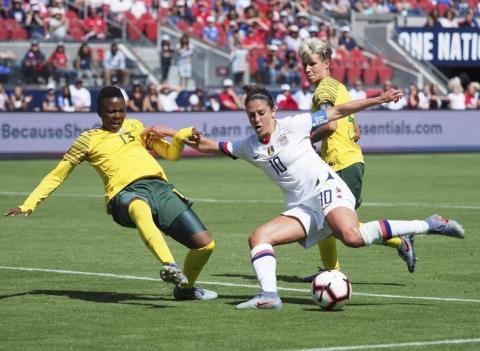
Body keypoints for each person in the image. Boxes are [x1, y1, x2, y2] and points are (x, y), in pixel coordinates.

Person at [178, 84, 464, 310]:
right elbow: (210, 144)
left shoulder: (295, 124)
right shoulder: (248, 146)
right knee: (258, 238)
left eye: (262, 112)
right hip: (303, 207)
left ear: (273, 111)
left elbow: (338, 111)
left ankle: (429, 224)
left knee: (351, 237)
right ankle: (269, 296)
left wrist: (379, 99)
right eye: (251, 115)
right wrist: (178, 136)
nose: (257, 119)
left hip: (327, 189)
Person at [5, 86, 217, 301]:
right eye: (111, 111)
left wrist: (179, 137)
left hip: (160, 189)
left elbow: (171, 155)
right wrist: (29, 203)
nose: (117, 116)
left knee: (205, 245)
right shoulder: (87, 140)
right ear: (99, 112)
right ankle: (169, 265)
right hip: (124, 194)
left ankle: (184, 290)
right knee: (139, 207)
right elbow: (57, 175)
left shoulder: (135, 127)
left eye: (121, 110)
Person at [298, 38, 416, 281]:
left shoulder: (324, 89)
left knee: (341, 226)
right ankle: (331, 272)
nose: (307, 69)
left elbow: (330, 125)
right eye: (304, 65)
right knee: (325, 219)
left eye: (312, 64)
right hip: (346, 161)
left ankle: (399, 239)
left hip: (341, 164)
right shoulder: (340, 88)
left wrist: (306, 139)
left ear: (326, 63)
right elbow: (356, 132)